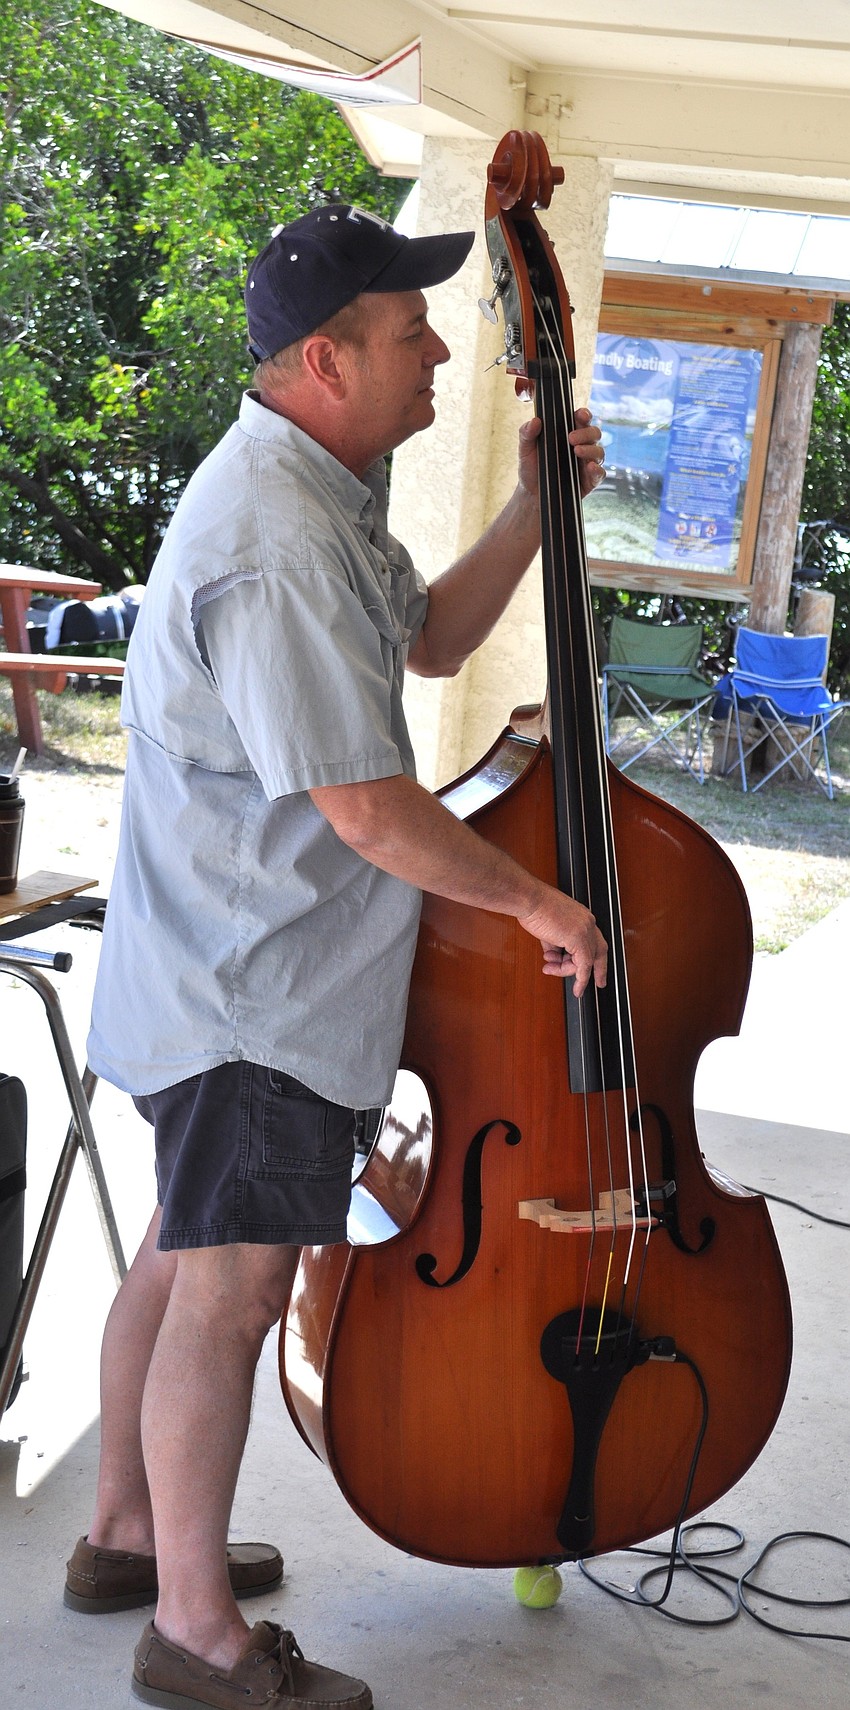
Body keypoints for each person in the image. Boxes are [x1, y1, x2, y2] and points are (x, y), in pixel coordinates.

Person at [67, 203, 608, 1710]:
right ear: (324, 357)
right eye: (408, 329)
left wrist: (519, 511)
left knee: (182, 1257)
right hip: (253, 989)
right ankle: (194, 1635)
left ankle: (122, 1534)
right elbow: (369, 811)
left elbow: (425, 643)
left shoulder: (318, 484)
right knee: (232, 1294)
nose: (440, 348)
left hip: (217, 966)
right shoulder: (279, 536)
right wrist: (537, 906)